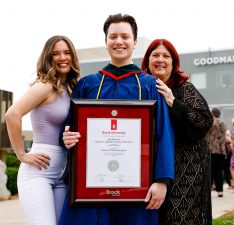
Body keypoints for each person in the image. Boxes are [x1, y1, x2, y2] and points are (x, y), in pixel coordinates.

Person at [59, 14, 174, 225]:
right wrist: (67, 138)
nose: (119, 41)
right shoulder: (88, 84)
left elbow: (163, 136)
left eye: (125, 36)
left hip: (138, 189)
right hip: (91, 189)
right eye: (113, 36)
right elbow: (68, 131)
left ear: (135, 42)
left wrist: (162, 181)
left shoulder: (150, 86)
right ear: (106, 42)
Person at [5, 35, 80, 225]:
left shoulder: (71, 88)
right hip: (39, 172)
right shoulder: (45, 85)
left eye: (66, 52)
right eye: (56, 53)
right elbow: (12, 114)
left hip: (63, 174)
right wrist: (22, 154)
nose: (62, 57)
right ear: (49, 57)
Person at [141, 39, 213, 225]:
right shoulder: (142, 88)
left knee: (178, 218)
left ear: (173, 63)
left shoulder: (184, 88)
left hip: (187, 167)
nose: (160, 60)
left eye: (166, 56)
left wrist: (173, 102)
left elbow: (205, 121)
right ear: (147, 61)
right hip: (154, 166)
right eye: (155, 55)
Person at [206, 107, 227, 198]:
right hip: (220, 150)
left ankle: (209, 189)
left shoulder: (209, 123)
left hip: (210, 149)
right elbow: (223, 137)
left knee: (210, 171)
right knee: (219, 171)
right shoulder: (223, 124)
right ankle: (220, 191)